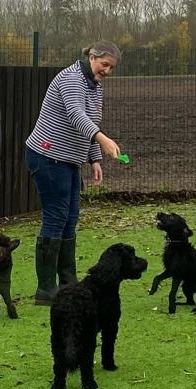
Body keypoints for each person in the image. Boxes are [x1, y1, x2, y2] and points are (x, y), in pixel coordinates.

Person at [25, 40, 122, 305]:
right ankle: (46, 289)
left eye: (111, 68)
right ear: (92, 57)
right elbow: (76, 115)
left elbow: (91, 120)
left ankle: (68, 283)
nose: (107, 71)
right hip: (47, 156)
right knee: (56, 217)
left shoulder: (94, 85)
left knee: (70, 217)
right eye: (104, 65)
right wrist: (103, 139)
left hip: (69, 159)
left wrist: (94, 158)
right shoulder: (71, 79)